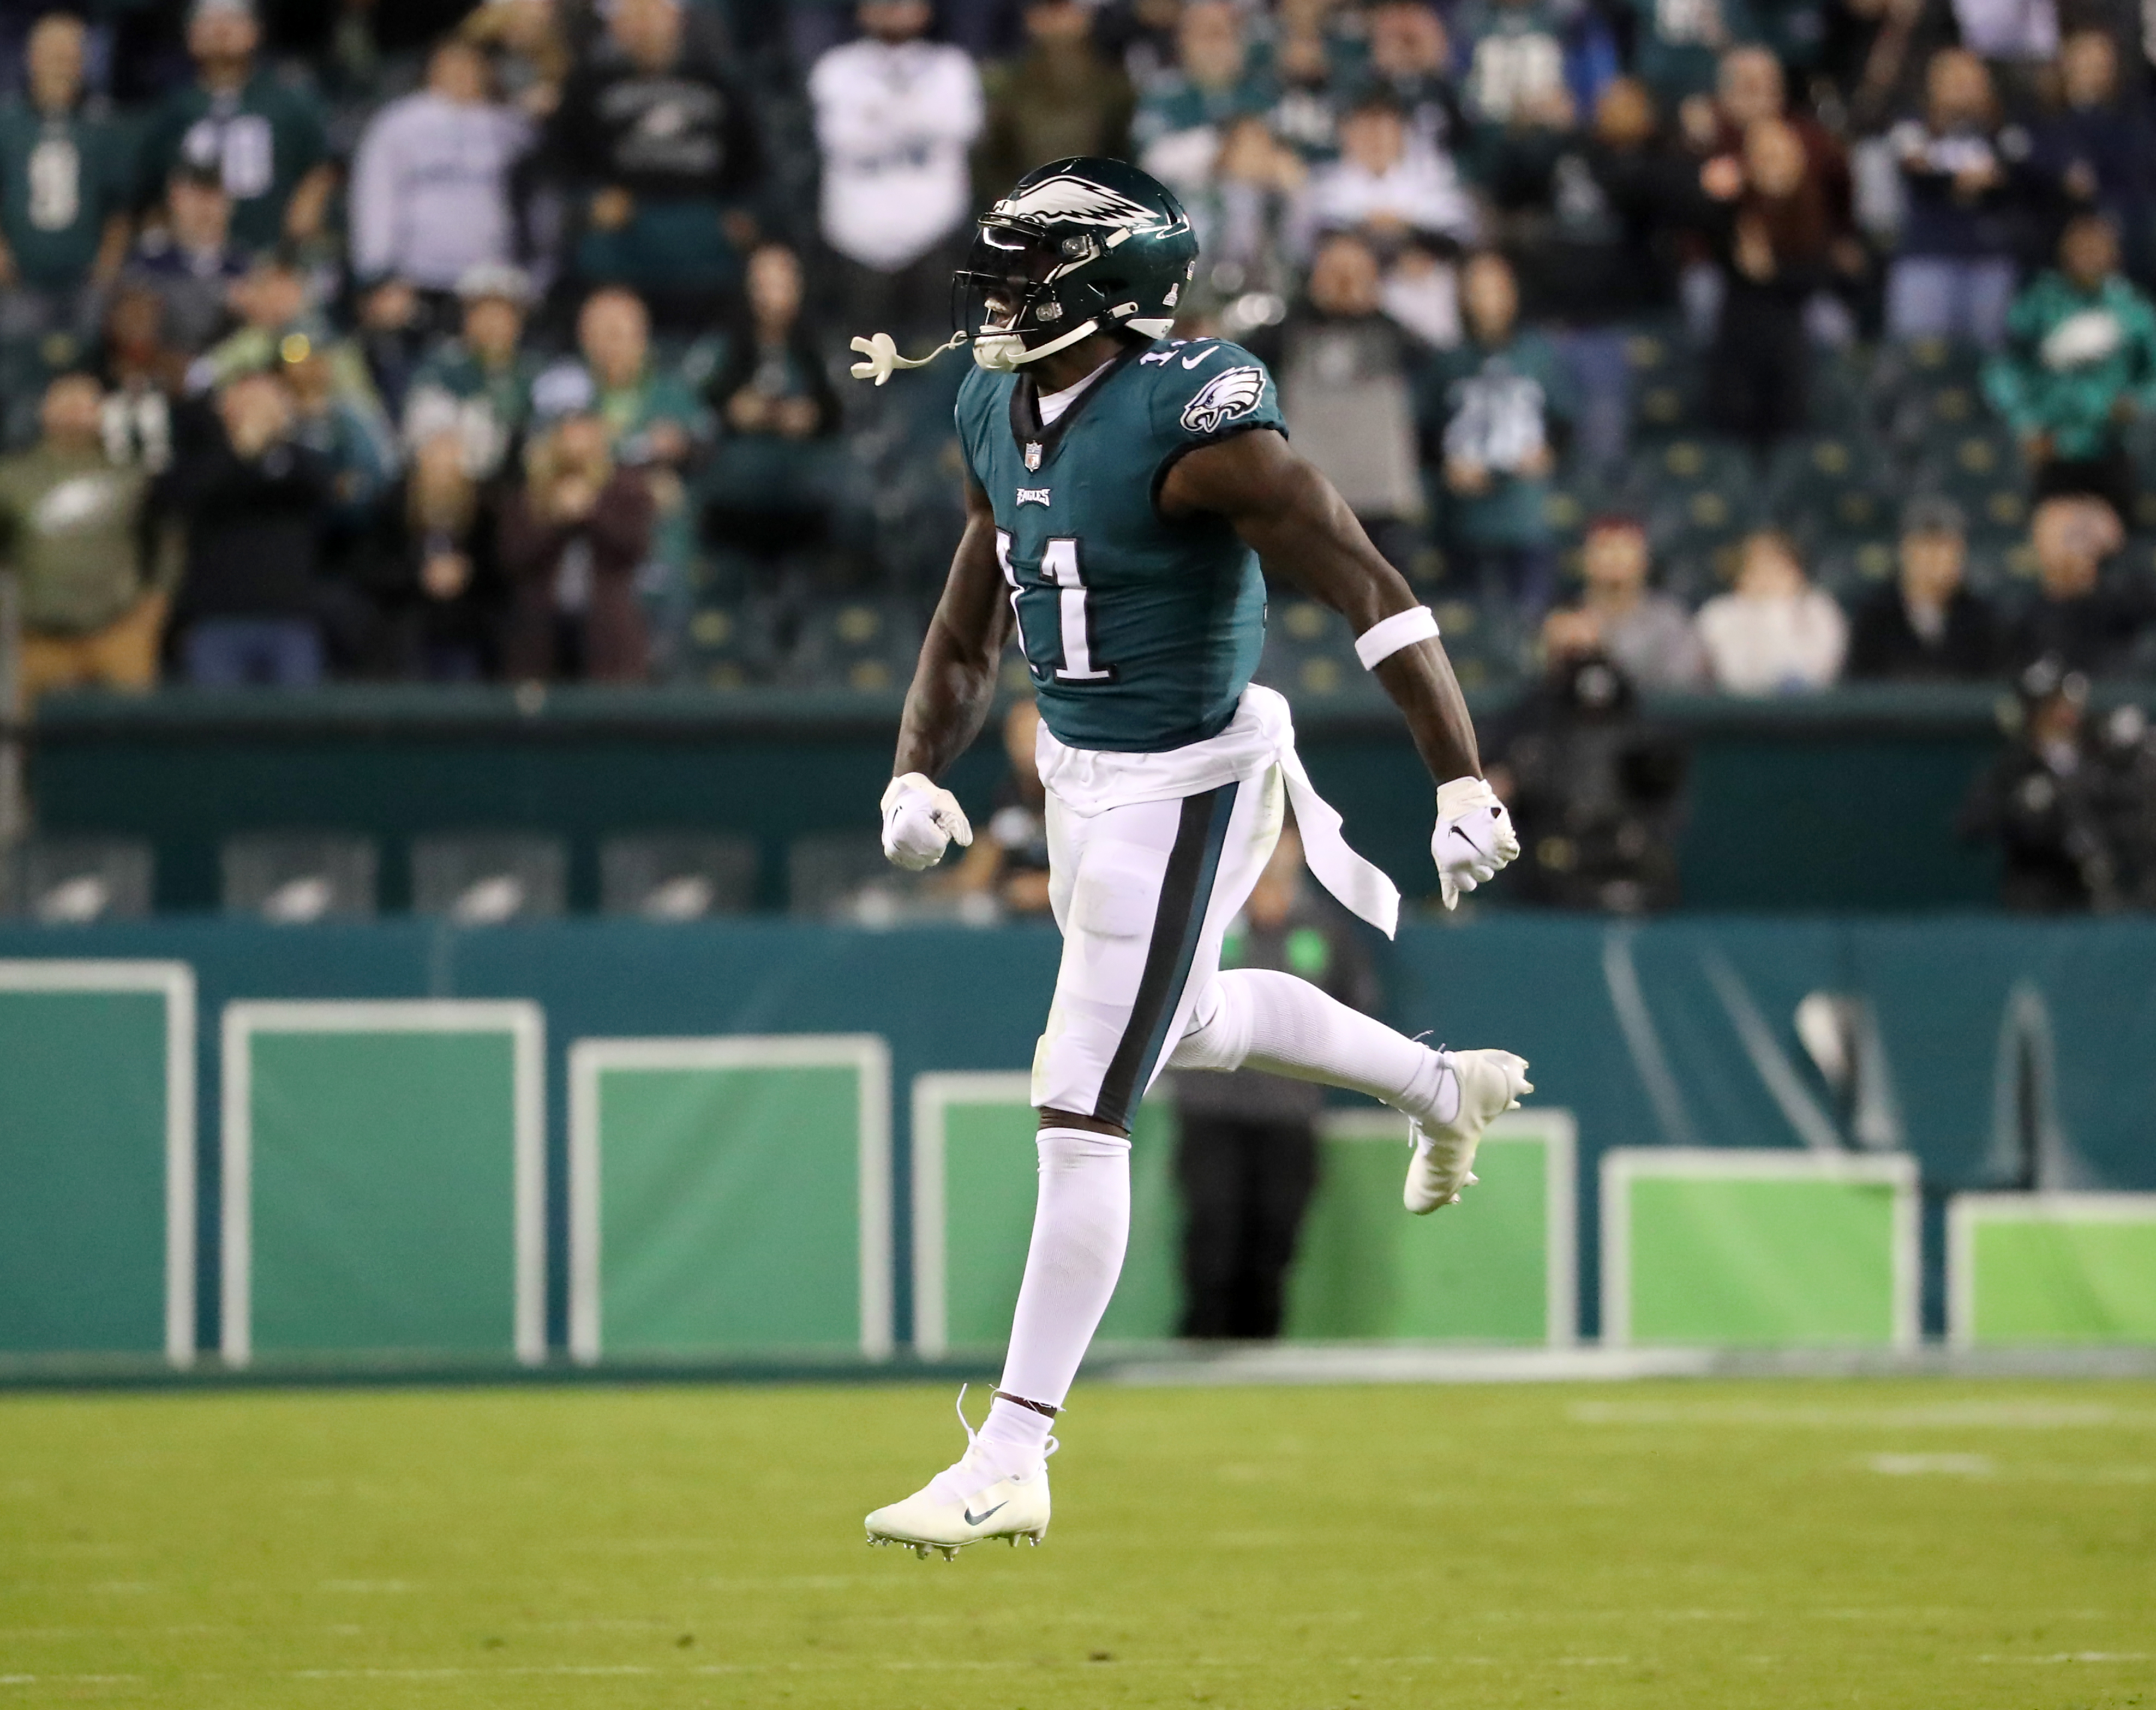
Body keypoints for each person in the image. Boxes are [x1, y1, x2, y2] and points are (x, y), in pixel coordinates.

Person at [854, 156, 1529, 1556]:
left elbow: (1370, 587)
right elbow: (973, 605)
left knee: (1080, 1093)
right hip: (1089, 780)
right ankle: (1437, 1085)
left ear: (1099, 290)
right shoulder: (991, 397)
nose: (993, 298)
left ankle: (1013, 1449)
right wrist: (916, 762)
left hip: (1196, 775)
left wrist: (1459, 777)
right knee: (1199, 1016)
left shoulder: (1197, 419)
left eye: (1024, 272)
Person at [1170, 822, 1376, 1339]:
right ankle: (1201, 1348)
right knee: (1212, 1235)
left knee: (1276, 1239)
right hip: (1210, 1109)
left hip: (1288, 1113)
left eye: (1284, 839)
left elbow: (1357, 1013)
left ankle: (1262, 1353)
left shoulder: (1325, 931)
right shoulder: (1209, 924)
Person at [550, 0, 763, 321]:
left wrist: (745, 211)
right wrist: (590, 199)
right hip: (623, 237)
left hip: (701, 231)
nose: (645, 28)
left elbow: (752, 164)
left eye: (653, 14)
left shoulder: (718, 81)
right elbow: (560, 162)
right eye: (634, 17)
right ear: (616, 27)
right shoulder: (588, 85)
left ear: (677, 19)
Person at [1257, 230, 1432, 575]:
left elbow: (1430, 360)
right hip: (1308, 495)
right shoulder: (1291, 331)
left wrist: (1372, 307)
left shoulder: (1390, 333)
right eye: (1334, 270)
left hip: (1381, 494)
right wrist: (1311, 304)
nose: (1345, 281)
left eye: (1355, 271)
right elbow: (1248, 355)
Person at [0, 373, 178, 706]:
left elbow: (167, 543)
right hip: (39, 636)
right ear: (44, 411)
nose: (74, 412)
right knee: (29, 744)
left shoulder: (133, 476)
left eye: (85, 403)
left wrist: (152, 609)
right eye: (64, 402)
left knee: (132, 740)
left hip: (119, 631)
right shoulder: (13, 477)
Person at [810, 0, 984, 339]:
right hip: (858, 238)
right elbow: (842, 139)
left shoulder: (953, 66)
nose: (893, 7)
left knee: (937, 356)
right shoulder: (836, 68)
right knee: (862, 361)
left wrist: (878, 114)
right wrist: (919, 115)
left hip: (936, 234)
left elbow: (963, 126)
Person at [153, 369, 336, 687]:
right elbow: (179, 499)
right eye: (249, 400)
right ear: (225, 406)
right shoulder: (200, 457)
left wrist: (282, 439)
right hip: (216, 619)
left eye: (269, 399)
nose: (260, 409)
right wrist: (239, 452)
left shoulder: (298, 459)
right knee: (216, 731)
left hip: (289, 618)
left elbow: (324, 494)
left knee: (299, 729)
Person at [1487, 630, 1688, 911]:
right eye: (1566, 652)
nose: (1579, 662)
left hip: (1628, 860)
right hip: (1548, 866)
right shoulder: (1526, 726)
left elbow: (1665, 807)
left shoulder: (1642, 727)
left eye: (1586, 650)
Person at [1983, 214, 2156, 521]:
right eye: (2081, 247)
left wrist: (2137, 402)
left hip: (2115, 446)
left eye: (2097, 247)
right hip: (2051, 447)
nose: (2089, 256)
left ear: (2114, 253)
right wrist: (2027, 423)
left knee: (2118, 546)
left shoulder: (2134, 310)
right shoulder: (2038, 303)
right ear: (2065, 251)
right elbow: (2004, 368)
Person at [1429, 249, 1571, 613]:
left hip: (1525, 510)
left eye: (1497, 288)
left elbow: (1566, 418)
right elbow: (1423, 427)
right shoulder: (1448, 360)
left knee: (1530, 613)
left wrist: (1549, 452)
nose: (1488, 300)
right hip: (1466, 516)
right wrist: (1447, 466)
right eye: (1478, 289)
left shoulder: (1538, 354)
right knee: (1470, 617)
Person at [702, 242, 845, 594]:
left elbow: (842, 407)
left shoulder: (821, 344)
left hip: (808, 491)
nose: (771, 297)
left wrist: (814, 416)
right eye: (762, 285)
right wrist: (732, 412)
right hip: (735, 502)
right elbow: (703, 403)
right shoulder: (725, 344)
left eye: (780, 284)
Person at [136, 0, 333, 254]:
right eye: (208, 21)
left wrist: (293, 246)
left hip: (270, 261)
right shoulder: (171, 110)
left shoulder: (290, 102)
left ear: (255, 30)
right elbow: (151, 192)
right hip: (192, 266)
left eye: (232, 18)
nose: (221, 30)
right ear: (190, 35)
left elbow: (318, 172)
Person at [348, 37, 532, 305]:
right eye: (451, 63)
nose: (461, 72)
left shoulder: (509, 126)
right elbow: (375, 197)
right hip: (416, 274)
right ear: (433, 69)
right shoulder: (400, 123)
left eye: (469, 64)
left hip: (492, 277)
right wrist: (378, 273)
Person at [496, 373, 655, 681]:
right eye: (565, 429)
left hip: (607, 634)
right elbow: (511, 558)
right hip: (540, 635)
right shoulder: (530, 491)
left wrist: (592, 512)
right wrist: (557, 519)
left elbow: (636, 548)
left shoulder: (625, 487)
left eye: (583, 427)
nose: (575, 438)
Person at [1883, 49, 2029, 349]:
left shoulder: (2004, 129)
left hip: (1989, 260)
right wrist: (1958, 181)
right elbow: (1915, 169)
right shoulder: (1911, 125)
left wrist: (1961, 178)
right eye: (1954, 80)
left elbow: (2017, 173)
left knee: (1987, 361)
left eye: (1971, 80)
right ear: (1933, 84)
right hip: (1927, 259)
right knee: (1920, 357)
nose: (1963, 89)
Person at [0, 15, 133, 333]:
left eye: (71, 57)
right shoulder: (7, 122)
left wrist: (107, 267)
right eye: (54, 56)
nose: (63, 66)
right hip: (20, 282)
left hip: (86, 283)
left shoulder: (103, 126)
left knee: (86, 362)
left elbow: (121, 207)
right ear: (32, 59)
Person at [1959, 657, 2118, 911]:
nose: (2066, 713)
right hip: (2037, 899)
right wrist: (2020, 807)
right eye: (2055, 704)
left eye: (2068, 703)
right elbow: (1972, 825)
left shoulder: (2101, 754)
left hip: (2100, 896)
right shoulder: (2015, 765)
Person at [974, 0, 1134, 202]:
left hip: (1098, 206)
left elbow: (1125, 152)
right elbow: (992, 158)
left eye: (1067, 12)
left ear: (1086, 19)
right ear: (1032, 20)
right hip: (1025, 209)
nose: (1060, 22)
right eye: (1051, 12)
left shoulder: (1115, 85)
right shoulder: (1006, 84)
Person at [403, 262, 542, 483]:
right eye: (483, 313)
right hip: (465, 480)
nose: (493, 324)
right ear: (466, 319)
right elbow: (427, 432)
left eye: (503, 314)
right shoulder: (442, 367)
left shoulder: (534, 370)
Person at [1845, 495, 2001, 679]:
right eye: (1925, 546)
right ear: (1904, 551)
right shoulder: (1875, 619)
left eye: (1945, 547)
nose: (1935, 559)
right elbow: (1859, 688)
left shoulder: (1981, 621)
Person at [1558, 513, 1709, 690]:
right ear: (1587, 560)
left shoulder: (1669, 618)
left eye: (1626, 548)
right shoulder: (1565, 618)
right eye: (1605, 547)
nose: (1615, 557)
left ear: (1644, 561)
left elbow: (1681, 688)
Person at [2003, 493, 2147, 675]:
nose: (2067, 551)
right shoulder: (2023, 620)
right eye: (2058, 538)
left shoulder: (2121, 603)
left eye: (2077, 537)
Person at [1694, 528, 1847, 693]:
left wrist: (1779, 609)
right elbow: (1735, 676)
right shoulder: (1719, 612)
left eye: (1776, 566)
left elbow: (1818, 675)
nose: (1767, 575)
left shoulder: (1819, 608)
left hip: (1808, 713)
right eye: (1758, 566)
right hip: (1733, 712)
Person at [122, 164, 248, 357]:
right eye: (194, 196)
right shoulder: (145, 263)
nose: (204, 208)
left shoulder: (246, 265)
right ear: (173, 200)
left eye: (214, 196)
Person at [944, 696, 1054, 916]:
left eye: (1036, 738)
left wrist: (1046, 889)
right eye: (1020, 738)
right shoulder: (1002, 795)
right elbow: (975, 874)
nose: (1027, 750)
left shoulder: (1082, 796)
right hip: (1013, 925)